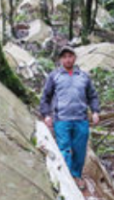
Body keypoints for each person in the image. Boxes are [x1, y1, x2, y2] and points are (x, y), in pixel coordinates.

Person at [40, 46, 101, 188]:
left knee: (79, 150)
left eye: (70, 56)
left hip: (81, 119)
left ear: (75, 58)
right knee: (64, 149)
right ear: (61, 59)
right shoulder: (54, 76)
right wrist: (46, 115)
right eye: (64, 57)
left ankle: (76, 176)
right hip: (62, 119)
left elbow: (92, 96)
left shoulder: (83, 76)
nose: (67, 59)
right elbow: (46, 97)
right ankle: (66, 181)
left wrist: (96, 111)